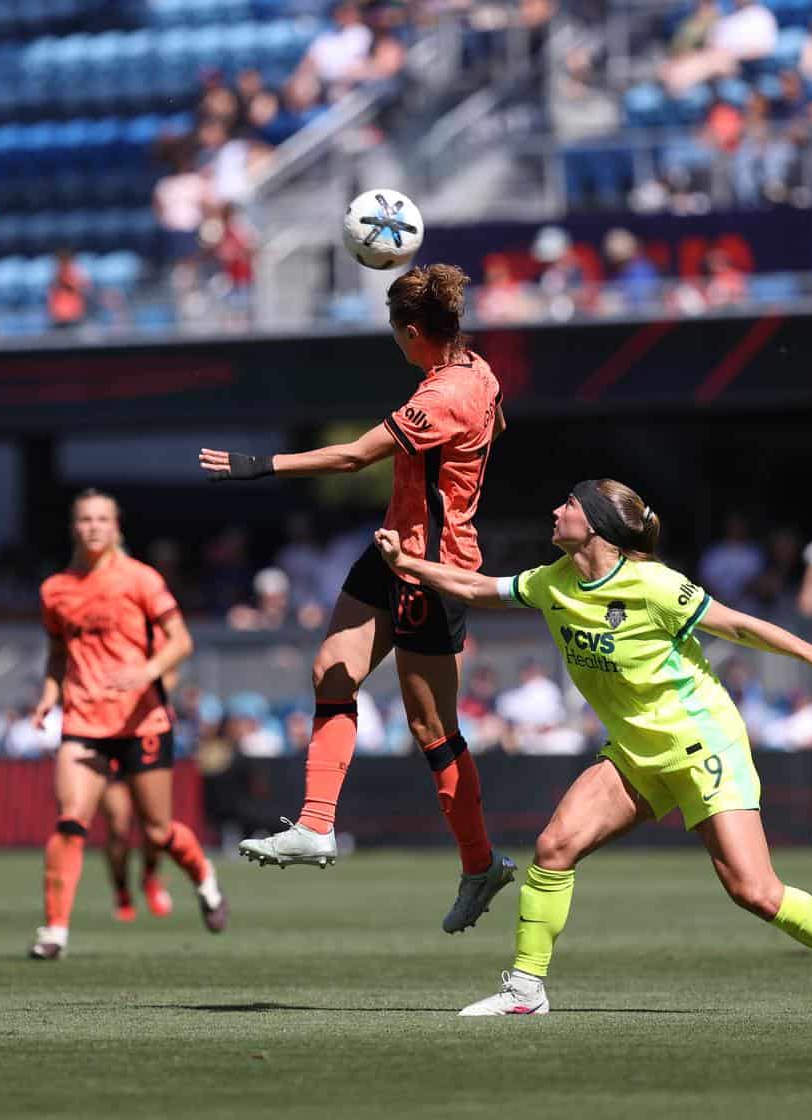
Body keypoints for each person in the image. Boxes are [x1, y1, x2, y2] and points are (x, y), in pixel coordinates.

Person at [371, 479, 812, 1015]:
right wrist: (406, 563)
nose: (556, 511)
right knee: (555, 847)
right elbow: (476, 588)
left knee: (755, 891)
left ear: (595, 526)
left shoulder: (654, 585)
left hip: (703, 745)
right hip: (635, 754)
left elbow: (738, 627)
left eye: (568, 504)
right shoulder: (552, 581)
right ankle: (525, 990)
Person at [199, 264, 515, 933]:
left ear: (412, 332)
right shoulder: (477, 370)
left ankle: (480, 863)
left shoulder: (445, 396)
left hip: (429, 566)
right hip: (392, 548)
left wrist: (260, 466)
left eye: (396, 333)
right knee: (331, 672)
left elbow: (352, 457)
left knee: (432, 728)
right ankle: (316, 826)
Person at [27, 491, 227, 959]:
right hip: (83, 721)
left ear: (116, 527)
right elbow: (57, 654)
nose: (93, 526)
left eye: (102, 519)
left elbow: (181, 641)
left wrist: (147, 671)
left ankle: (204, 878)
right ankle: (54, 931)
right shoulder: (55, 589)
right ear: (74, 527)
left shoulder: (141, 579)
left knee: (157, 831)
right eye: (85, 519)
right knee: (71, 822)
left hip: (142, 722)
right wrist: (49, 694)